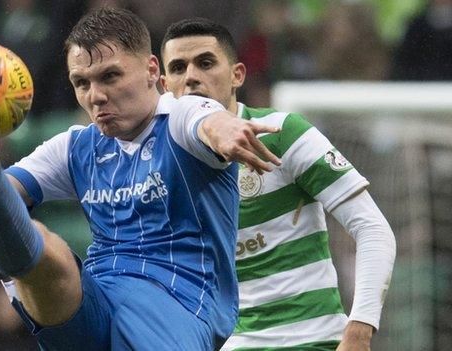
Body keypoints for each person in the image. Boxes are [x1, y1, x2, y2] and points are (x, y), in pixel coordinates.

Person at [0, 8, 281, 350]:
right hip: (94, 300)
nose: (95, 96)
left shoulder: (180, 117)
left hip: (176, 306)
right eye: (81, 83)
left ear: (153, 69)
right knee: (49, 251)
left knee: (45, 245)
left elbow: (208, 122)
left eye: (110, 76)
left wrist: (227, 130)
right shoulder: (77, 146)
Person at [159, 18, 396, 351]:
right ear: (165, 84)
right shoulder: (159, 164)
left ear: (236, 75)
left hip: (313, 341)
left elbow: (373, 228)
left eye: (206, 63)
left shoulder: (281, 133)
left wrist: (358, 332)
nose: (192, 76)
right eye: (179, 68)